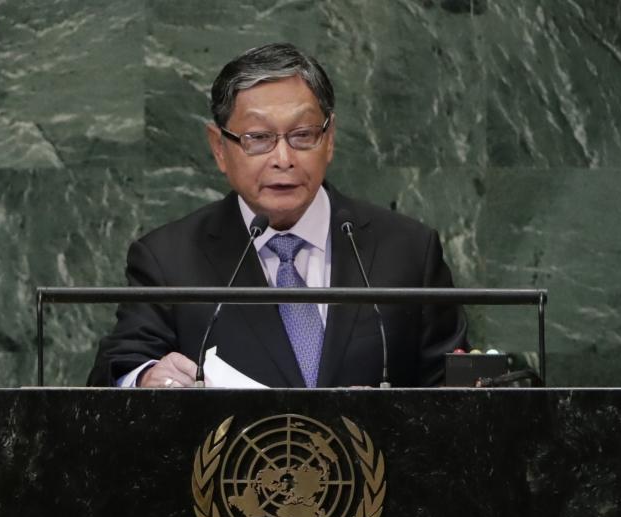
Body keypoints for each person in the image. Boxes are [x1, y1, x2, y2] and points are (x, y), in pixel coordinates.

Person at [87, 43, 467, 388]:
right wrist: (145, 380)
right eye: (258, 138)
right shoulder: (167, 260)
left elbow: (455, 391)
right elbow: (120, 368)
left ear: (329, 138)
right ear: (219, 148)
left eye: (302, 135)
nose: (283, 159)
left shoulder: (408, 251)